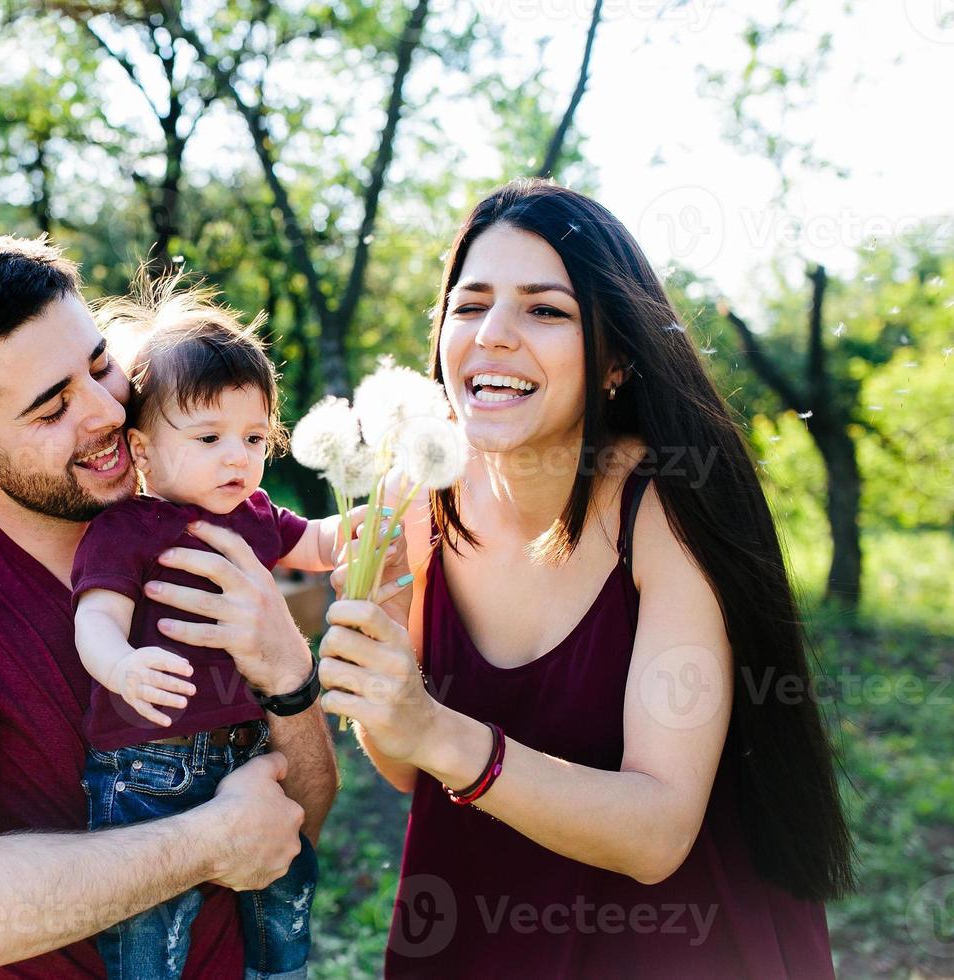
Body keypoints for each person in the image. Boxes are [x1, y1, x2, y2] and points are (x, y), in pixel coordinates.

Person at [315, 180, 854, 978]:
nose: (493, 335)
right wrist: (382, 667)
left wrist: (437, 729)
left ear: (616, 360)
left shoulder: (667, 510)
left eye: (545, 310)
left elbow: (657, 834)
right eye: (469, 305)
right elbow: (403, 766)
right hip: (479, 931)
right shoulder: (411, 494)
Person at [0, 230, 339, 978]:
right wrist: (204, 841)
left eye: (101, 364)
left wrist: (291, 680)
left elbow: (295, 824)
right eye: (51, 408)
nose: (105, 410)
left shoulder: (208, 534)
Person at [72, 279, 343, 979]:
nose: (238, 457)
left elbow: (315, 540)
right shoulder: (126, 529)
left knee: (285, 878)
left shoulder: (253, 513)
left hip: (247, 752)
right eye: (211, 437)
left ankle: (277, 970)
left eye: (254, 437)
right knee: (149, 921)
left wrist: (372, 525)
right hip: (146, 765)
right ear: (143, 450)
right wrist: (122, 667)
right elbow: (96, 618)